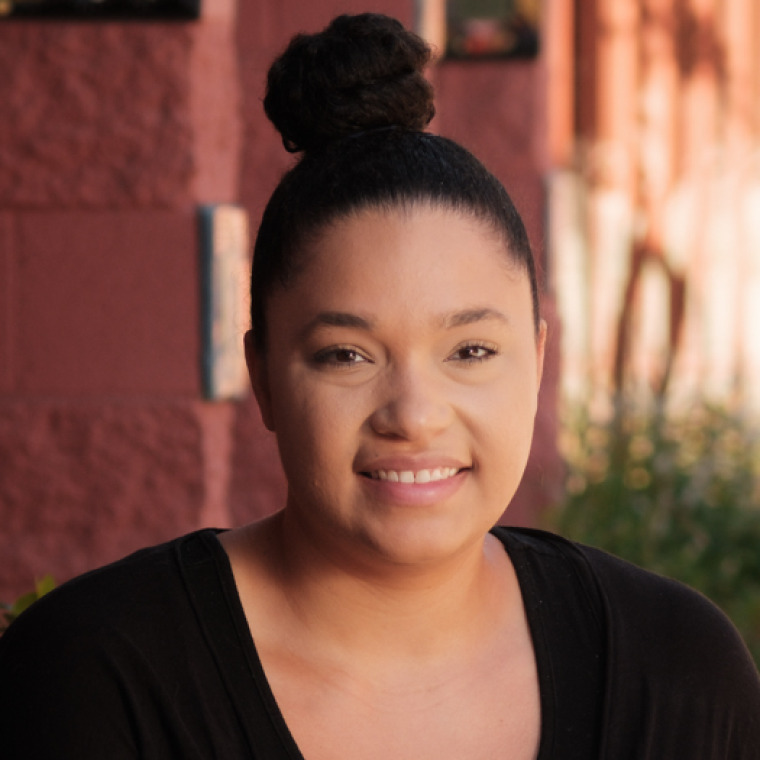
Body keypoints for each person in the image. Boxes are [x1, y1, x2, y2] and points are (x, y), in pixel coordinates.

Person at [1, 13, 758, 760]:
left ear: (536, 360)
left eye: (469, 349)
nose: (415, 415)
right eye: (347, 356)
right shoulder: (93, 676)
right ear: (262, 375)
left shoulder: (677, 670)